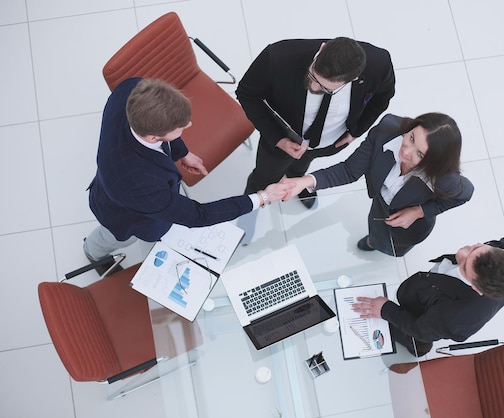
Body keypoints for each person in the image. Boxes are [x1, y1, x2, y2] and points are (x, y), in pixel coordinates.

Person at [84, 77, 291, 272]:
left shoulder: (131, 89)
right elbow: (199, 215)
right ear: (153, 137)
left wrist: (182, 152)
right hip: (123, 214)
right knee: (113, 237)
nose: (189, 126)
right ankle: (92, 254)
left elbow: (162, 130)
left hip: (124, 182)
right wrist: (262, 197)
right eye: (181, 128)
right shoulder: (140, 185)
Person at [281, 113, 474, 256]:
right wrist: (305, 180)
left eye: (420, 154)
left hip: (410, 226)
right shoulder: (387, 129)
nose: (407, 151)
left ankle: (377, 244)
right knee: (375, 227)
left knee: (393, 245)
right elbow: (349, 170)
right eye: (412, 138)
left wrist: (419, 211)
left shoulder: (445, 178)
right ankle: (373, 240)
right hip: (380, 205)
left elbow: (465, 194)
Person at [236, 37, 395, 210]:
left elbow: (383, 97)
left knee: (302, 165)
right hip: (280, 139)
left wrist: (356, 132)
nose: (313, 86)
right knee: (264, 177)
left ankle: (297, 179)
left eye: (325, 88)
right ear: (322, 48)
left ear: (354, 78)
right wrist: (278, 139)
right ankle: (251, 201)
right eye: (312, 75)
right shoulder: (278, 56)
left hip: (327, 142)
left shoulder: (379, 64)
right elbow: (246, 94)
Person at [351, 235, 504, 357]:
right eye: (475, 248)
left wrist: (385, 309)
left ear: (478, 290)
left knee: (418, 340)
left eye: (464, 265)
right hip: (434, 292)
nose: (461, 252)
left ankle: (417, 348)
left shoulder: (456, 317)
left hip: (427, 317)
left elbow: (418, 328)